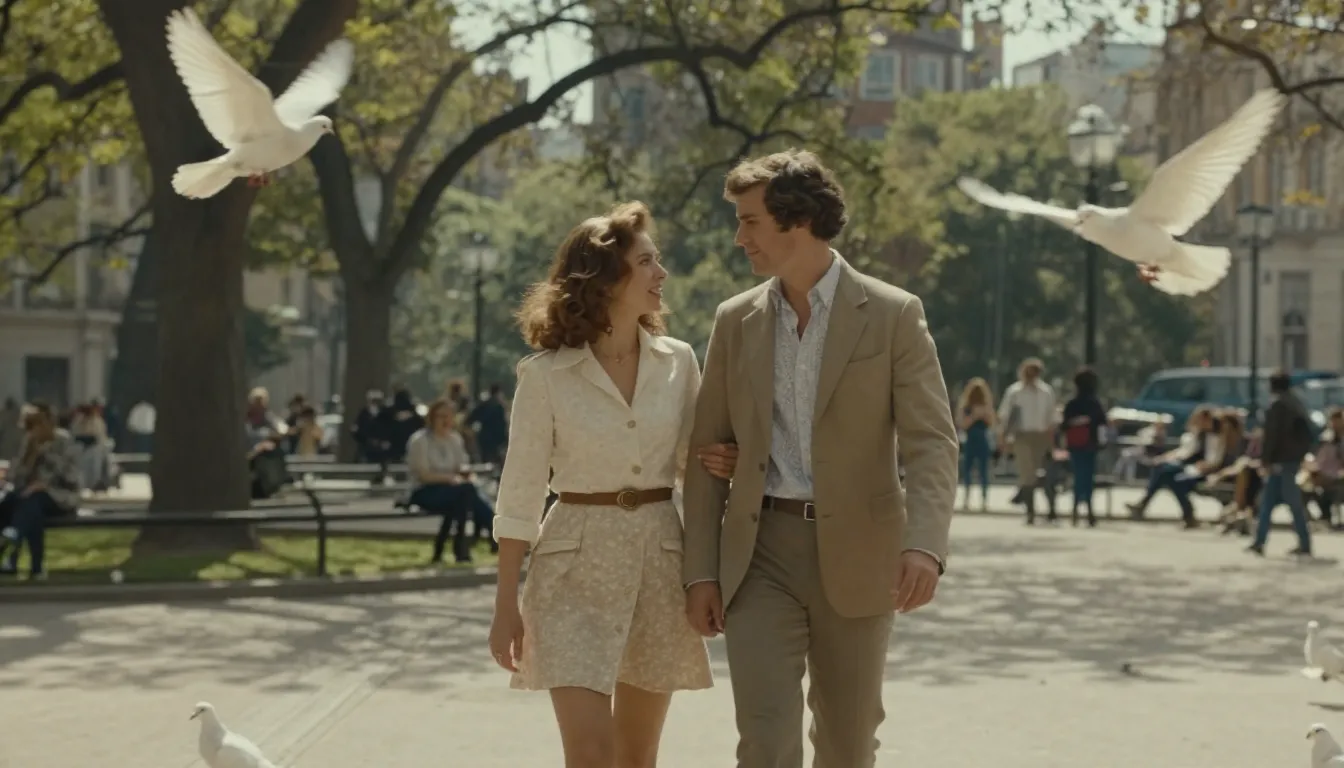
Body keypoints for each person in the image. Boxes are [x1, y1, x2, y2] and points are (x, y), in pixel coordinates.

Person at [682, 149, 958, 767]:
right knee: (765, 739)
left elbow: (932, 441)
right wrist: (700, 572)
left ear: (798, 220)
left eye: (750, 221)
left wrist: (925, 544)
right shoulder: (735, 320)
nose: (739, 238)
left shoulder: (893, 314)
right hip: (759, 554)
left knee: (847, 743)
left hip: (862, 553)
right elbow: (706, 452)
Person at [487, 202, 740, 767]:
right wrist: (505, 605)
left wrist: (725, 461)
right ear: (605, 279)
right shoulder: (545, 375)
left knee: (637, 756)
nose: (661, 273)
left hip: (659, 567)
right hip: (571, 573)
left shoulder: (679, 362)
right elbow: (520, 493)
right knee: (590, 753)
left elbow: (693, 469)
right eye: (646, 262)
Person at [0, 401, 81, 578]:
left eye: (37, 425)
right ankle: (34, 567)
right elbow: (15, 476)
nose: (33, 431)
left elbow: (72, 477)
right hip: (29, 497)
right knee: (17, 504)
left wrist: (47, 456)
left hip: (59, 496)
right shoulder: (29, 441)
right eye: (30, 426)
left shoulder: (63, 441)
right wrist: (29, 458)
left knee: (32, 501)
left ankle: (13, 554)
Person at [406, 398, 492, 564]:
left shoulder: (455, 439)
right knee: (464, 494)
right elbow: (423, 475)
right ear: (432, 418)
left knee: (463, 497)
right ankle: (485, 536)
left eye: (449, 416)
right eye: (441, 416)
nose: (445, 421)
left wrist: (467, 477)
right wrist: (450, 478)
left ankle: (446, 551)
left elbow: (462, 467)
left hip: (454, 491)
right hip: (425, 491)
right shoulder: (420, 440)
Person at [1248, 369, 1314, 557]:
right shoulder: (1296, 403)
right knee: (1269, 501)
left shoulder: (1277, 406)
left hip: (1280, 460)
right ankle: (1260, 540)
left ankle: (1303, 543)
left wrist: (1265, 459)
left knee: (1290, 503)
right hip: (1291, 458)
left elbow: (1272, 436)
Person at [997, 358, 1056, 524]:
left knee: (1041, 474)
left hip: (1041, 435)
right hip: (1022, 436)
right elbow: (1006, 416)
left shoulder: (1046, 392)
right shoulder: (1015, 392)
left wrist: (1052, 441)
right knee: (1027, 474)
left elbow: (1051, 417)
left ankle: (1049, 508)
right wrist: (1003, 437)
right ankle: (1031, 512)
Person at [1060, 366, 1110, 527]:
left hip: (1075, 444)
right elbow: (1103, 423)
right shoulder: (1095, 403)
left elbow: (1064, 425)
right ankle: (1089, 509)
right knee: (1088, 476)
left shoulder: (1072, 403)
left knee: (1078, 475)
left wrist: (1076, 423)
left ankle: (1075, 508)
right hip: (1091, 444)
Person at [956, 377, 995, 511]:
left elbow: (992, 423)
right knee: (967, 470)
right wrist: (973, 416)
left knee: (984, 471)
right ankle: (966, 499)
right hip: (970, 440)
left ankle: (984, 500)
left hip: (982, 440)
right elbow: (962, 424)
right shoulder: (966, 407)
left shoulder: (986, 407)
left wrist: (984, 414)